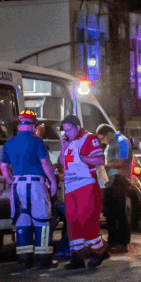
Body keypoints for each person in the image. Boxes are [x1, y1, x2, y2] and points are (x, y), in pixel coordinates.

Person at [0, 111, 57, 270]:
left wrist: (11, 180)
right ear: (33, 125)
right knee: (42, 221)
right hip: (36, 185)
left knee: (22, 221)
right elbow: (45, 163)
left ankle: (24, 260)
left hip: (18, 186)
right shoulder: (37, 142)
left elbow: (3, 167)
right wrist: (52, 181)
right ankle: (43, 260)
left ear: (19, 126)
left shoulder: (9, 144)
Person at [59, 115, 107, 269]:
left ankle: (99, 251)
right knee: (73, 223)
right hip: (71, 187)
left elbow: (100, 160)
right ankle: (77, 257)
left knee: (87, 220)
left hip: (86, 184)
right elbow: (62, 161)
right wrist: (63, 147)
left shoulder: (89, 138)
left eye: (69, 129)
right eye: (64, 130)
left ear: (77, 127)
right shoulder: (69, 142)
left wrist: (83, 158)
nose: (67, 133)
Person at [97, 124, 133, 255]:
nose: (102, 142)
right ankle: (113, 241)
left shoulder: (121, 142)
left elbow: (121, 163)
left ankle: (122, 244)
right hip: (110, 182)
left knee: (119, 213)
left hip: (118, 180)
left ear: (108, 134)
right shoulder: (112, 143)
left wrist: (103, 165)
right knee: (110, 213)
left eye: (102, 139)